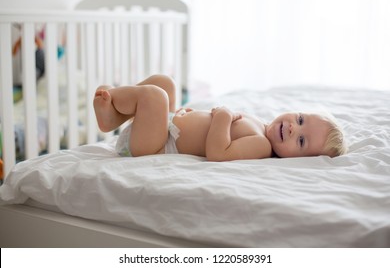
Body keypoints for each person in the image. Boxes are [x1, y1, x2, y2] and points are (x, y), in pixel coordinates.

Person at [93, 75, 347, 161]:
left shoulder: (261, 144)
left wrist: (223, 118)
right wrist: (187, 116)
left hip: (157, 145)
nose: (293, 128)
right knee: (166, 83)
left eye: (301, 142)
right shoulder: (261, 124)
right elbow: (201, 129)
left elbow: (218, 152)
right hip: (167, 127)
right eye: (300, 120)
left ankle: (111, 111)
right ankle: (114, 117)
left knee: (156, 96)